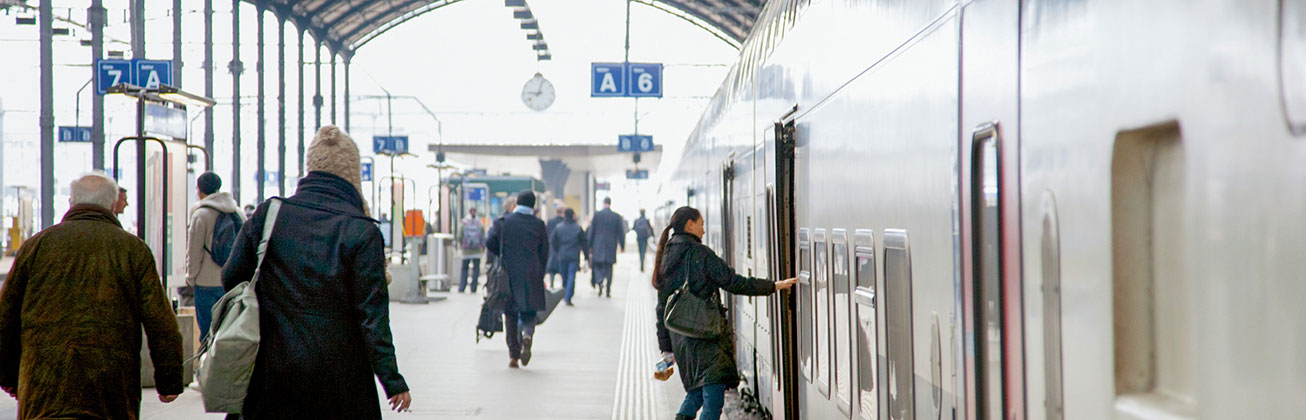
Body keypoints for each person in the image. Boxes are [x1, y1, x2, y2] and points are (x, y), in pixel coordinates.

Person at [222, 126, 411, 418]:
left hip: (272, 370)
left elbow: (232, 277)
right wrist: (392, 379)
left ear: (311, 165)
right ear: (352, 172)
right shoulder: (362, 231)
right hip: (342, 379)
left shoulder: (269, 216)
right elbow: (372, 318)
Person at [0, 172, 184, 419]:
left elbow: (5, 316)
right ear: (111, 204)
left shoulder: (37, 245)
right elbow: (160, 322)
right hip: (110, 386)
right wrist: (169, 380)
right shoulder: (132, 249)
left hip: (44, 383)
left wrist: (9, 376)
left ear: (71, 202)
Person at [652, 206, 797, 420]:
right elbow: (734, 282)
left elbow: (661, 308)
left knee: (695, 393)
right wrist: (774, 286)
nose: (704, 230)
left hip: (680, 339)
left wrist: (666, 348)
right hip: (705, 336)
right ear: (689, 225)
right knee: (712, 397)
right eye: (701, 224)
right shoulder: (700, 253)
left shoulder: (666, 255)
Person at [485, 190, 548, 368]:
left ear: (516, 203)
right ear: (533, 205)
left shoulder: (503, 222)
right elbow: (545, 252)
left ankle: (513, 355)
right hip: (531, 273)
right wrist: (540, 270)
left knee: (510, 314)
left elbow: (490, 243)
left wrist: (503, 254)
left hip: (508, 273)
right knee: (529, 312)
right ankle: (527, 334)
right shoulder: (539, 224)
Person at [185, 171, 243, 342]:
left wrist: (191, 278)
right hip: (230, 282)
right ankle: (226, 367)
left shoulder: (200, 215)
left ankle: (206, 366)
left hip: (206, 283)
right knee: (228, 333)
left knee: (207, 334)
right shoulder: (237, 213)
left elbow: (194, 251)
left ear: (200, 190)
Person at [549, 208, 588, 306]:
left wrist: (557, 251)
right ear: (573, 215)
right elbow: (584, 243)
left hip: (562, 255)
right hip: (574, 256)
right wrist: (586, 256)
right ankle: (568, 296)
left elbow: (553, 241)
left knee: (564, 276)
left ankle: (565, 293)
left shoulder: (559, 227)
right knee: (571, 276)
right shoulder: (578, 228)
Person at [588, 197, 625, 297]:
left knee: (597, 265)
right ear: (610, 203)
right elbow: (621, 232)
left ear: (603, 203)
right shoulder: (616, 216)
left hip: (598, 245)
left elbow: (592, 231)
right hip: (611, 246)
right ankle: (608, 289)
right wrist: (622, 245)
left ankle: (599, 281)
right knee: (609, 267)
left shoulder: (597, 215)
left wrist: (589, 245)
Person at [458, 208, 486, 293]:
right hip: (477, 250)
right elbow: (483, 236)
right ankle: (473, 288)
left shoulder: (464, 223)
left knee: (464, 268)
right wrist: (482, 248)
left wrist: (461, 245)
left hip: (466, 250)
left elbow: (459, 236)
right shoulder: (479, 223)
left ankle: (462, 287)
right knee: (476, 269)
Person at [544, 205, 566, 288]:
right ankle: (563, 285)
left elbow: (546, 233)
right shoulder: (564, 222)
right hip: (562, 247)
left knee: (552, 267)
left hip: (552, 246)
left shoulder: (550, 221)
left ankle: (552, 282)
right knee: (562, 267)